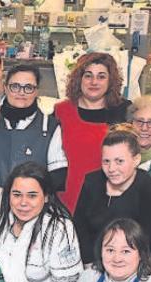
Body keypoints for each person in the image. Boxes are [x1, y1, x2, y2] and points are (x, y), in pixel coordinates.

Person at [73, 125, 151, 266]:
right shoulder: (92, 182)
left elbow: (144, 236)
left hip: (130, 262)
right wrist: (89, 262)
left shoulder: (147, 186)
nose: (111, 169)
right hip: (92, 260)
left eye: (119, 161)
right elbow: (80, 226)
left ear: (136, 160)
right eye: (106, 161)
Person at [0, 65, 67, 194]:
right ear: (5, 87)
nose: (21, 92)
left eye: (28, 87)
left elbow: (58, 173)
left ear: (37, 91)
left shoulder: (50, 126)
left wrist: (30, 196)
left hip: (34, 208)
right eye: (15, 86)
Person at [55, 52, 130, 211]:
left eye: (101, 76)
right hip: (66, 201)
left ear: (110, 81)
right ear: (79, 79)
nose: (94, 82)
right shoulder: (61, 112)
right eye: (88, 75)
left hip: (110, 201)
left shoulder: (124, 112)